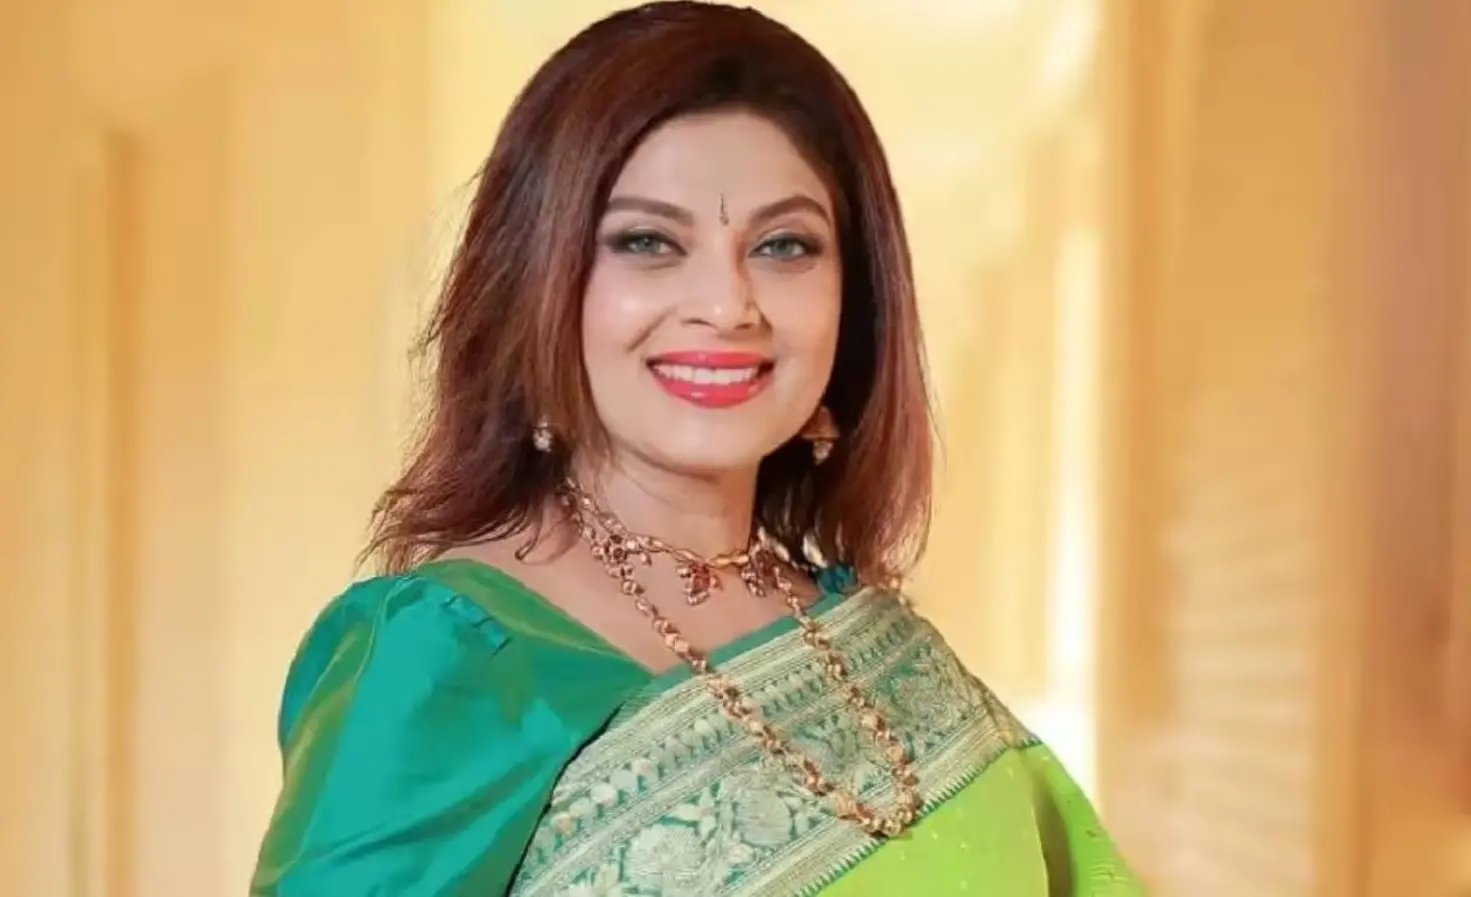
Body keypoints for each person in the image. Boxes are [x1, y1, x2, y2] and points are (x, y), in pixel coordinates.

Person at [250, 3, 1142, 894]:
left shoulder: (893, 664)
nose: (726, 305)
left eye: (784, 245)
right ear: (535, 282)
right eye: (647, 242)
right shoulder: (443, 659)